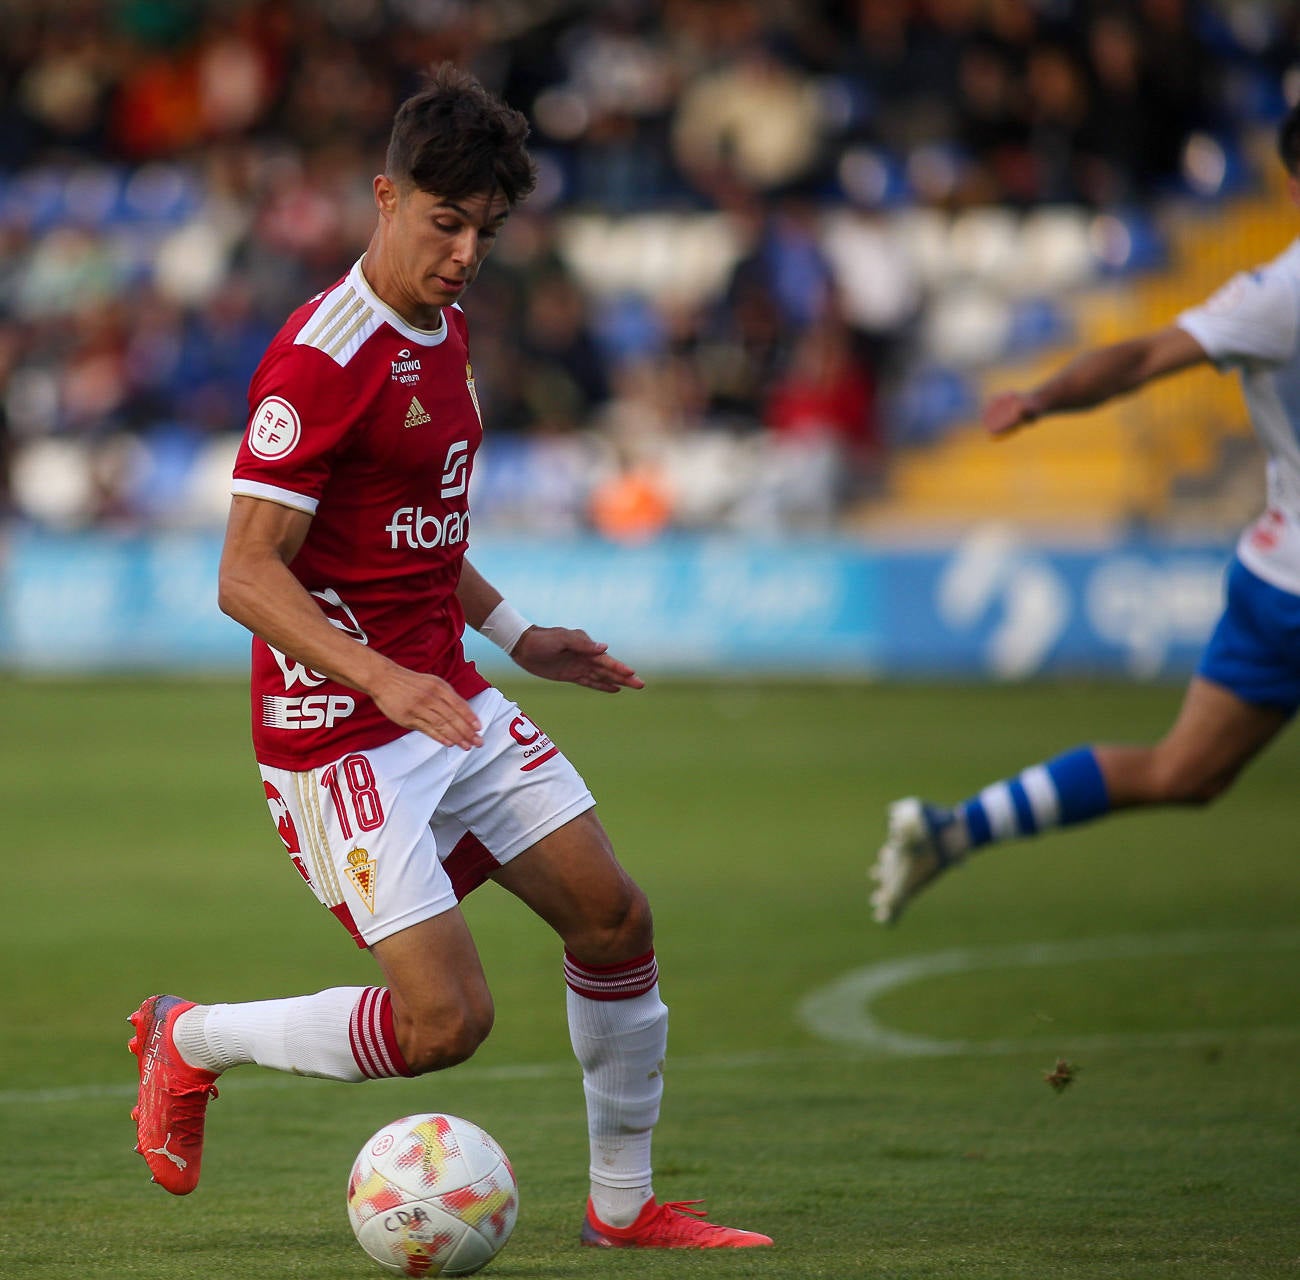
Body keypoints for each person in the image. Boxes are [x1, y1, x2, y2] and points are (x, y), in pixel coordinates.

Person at [127, 63, 772, 1252]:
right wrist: (381, 676)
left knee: (615, 918)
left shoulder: (446, 326)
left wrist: (519, 634)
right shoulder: (320, 357)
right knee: (445, 1023)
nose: (467, 252)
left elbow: (414, 531)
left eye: (486, 229)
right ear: (385, 194)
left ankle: (623, 1210)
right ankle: (188, 1036)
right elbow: (246, 572)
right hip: (340, 735)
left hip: (444, 695)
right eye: (445, 222)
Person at [871, 98, 1300, 926]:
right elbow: (1142, 355)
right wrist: (1040, 398)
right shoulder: (1283, 292)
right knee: (1184, 771)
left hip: (1276, 573)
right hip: (1287, 585)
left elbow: (1145, 352)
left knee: (1186, 772)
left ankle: (957, 829)